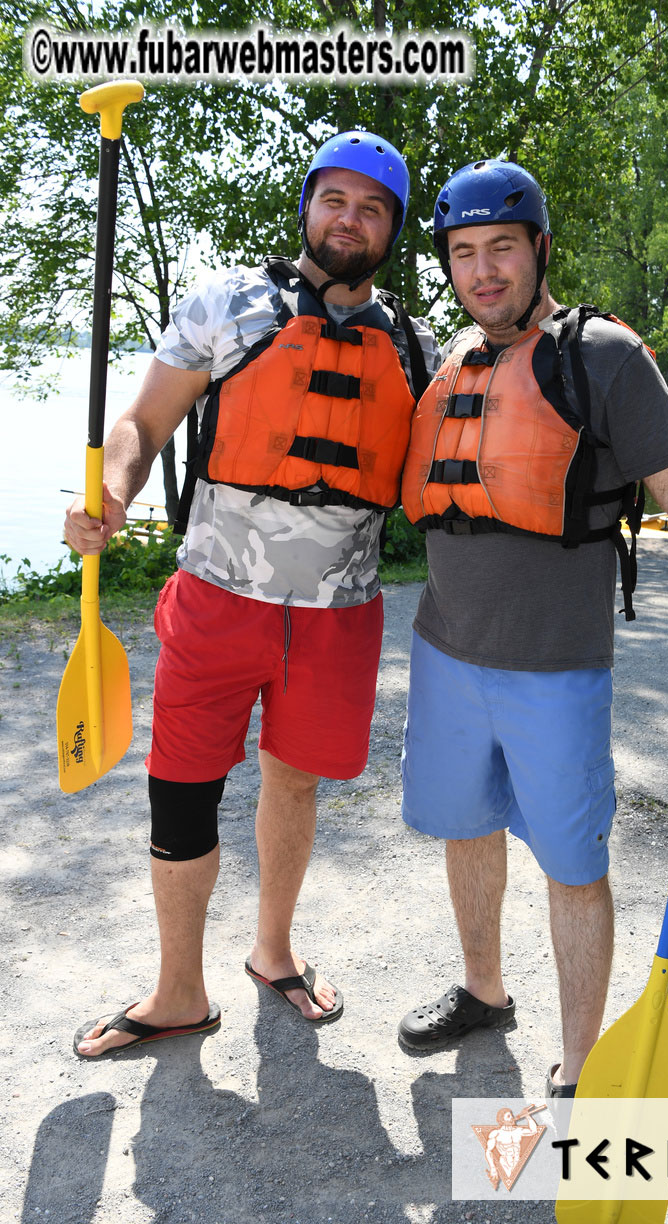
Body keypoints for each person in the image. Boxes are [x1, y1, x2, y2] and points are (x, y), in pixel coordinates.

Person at [396, 159, 668, 1099]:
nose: (483, 270)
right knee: (468, 828)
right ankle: (484, 992)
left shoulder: (605, 355)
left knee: (574, 866)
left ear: (539, 250)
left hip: (556, 669)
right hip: (446, 648)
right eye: (464, 254)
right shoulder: (452, 361)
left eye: (502, 248)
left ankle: (580, 1073)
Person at [65, 130, 438, 1057]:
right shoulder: (230, 303)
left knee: (294, 785)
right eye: (335, 200)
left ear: (390, 229)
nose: (350, 220)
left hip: (338, 615)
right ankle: (177, 992)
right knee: (182, 791)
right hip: (216, 598)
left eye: (373, 208)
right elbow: (140, 427)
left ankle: (274, 953)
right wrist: (109, 492)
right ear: (308, 205)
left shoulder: (415, 348)